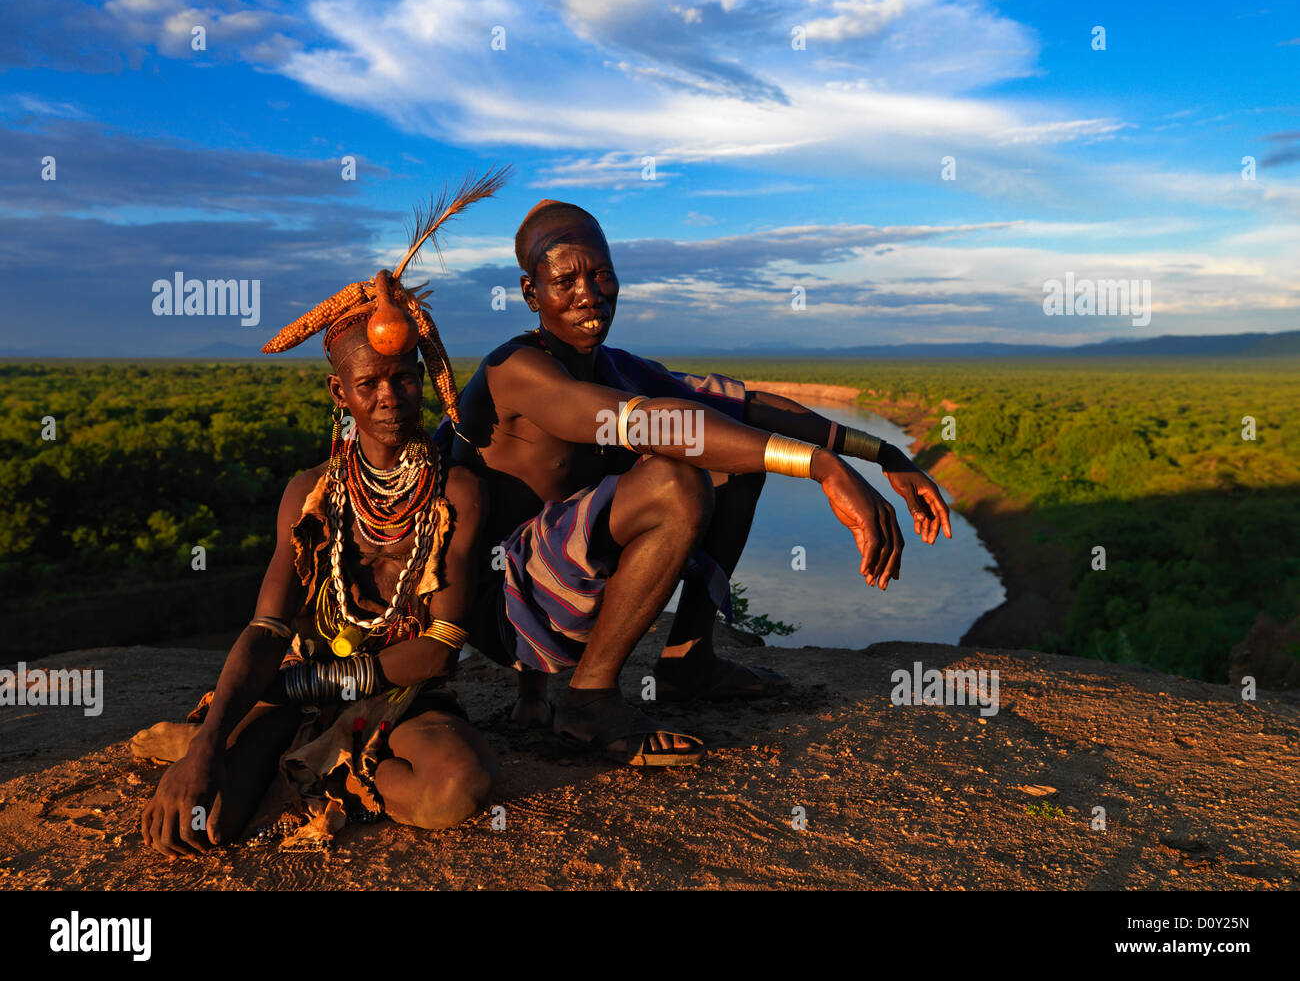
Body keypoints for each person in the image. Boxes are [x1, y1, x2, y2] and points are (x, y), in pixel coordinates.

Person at [450, 199, 953, 767]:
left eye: (602, 275)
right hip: (508, 610)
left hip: (567, 578)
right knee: (675, 481)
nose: (588, 293)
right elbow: (652, 423)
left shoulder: (614, 366)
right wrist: (821, 467)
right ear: (529, 292)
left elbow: (744, 407)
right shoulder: (515, 370)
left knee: (734, 455)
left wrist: (883, 453)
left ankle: (689, 658)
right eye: (565, 279)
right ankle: (588, 700)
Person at [133, 173, 507, 856]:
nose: (390, 396)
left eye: (404, 378)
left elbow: (440, 645)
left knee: (457, 787)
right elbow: (267, 625)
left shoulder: (458, 492)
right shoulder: (308, 493)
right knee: (206, 822)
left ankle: (325, 763)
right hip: (298, 681)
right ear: (341, 390)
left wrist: (311, 682)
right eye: (370, 383)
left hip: (400, 691)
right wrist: (209, 747)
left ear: (423, 380)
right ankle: (252, 735)